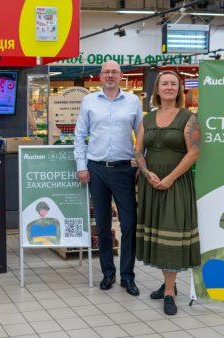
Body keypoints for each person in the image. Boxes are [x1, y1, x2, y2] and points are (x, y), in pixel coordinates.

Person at [134, 70, 201, 315]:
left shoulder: (187, 118)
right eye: (165, 83)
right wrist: (146, 172)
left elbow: (194, 152)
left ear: (179, 89)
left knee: (170, 232)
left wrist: (170, 178)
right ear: (157, 89)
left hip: (176, 182)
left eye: (174, 83)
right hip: (152, 183)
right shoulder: (147, 119)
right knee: (159, 234)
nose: (169, 87)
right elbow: (138, 150)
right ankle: (167, 284)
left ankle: (170, 292)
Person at [74, 60, 142, 296]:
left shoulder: (133, 101)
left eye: (115, 72)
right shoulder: (89, 101)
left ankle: (127, 276)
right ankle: (108, 273)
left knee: (129, 223)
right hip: (97, 170)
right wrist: (81, 167)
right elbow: (80, 135)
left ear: (121, 76)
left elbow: (141, 135)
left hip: (124, 170)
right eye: (106, 72)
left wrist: (140, 165)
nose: (110, 75)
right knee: (102, 225)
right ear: (100, 76)